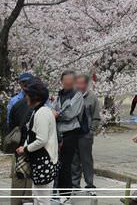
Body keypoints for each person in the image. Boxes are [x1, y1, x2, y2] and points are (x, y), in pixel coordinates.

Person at [17, 80, 58, 205]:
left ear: (35, 97)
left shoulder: (42, 113)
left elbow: (41, 140)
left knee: (42, 198)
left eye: (28, 95)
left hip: (44, 160)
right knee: (37, 196)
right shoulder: (40, 110)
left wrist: (25, 149)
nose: (26, 97)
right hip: (42, 159)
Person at [52, 70, 83, 200]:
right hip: (57, 132)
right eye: (65, 82)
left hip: (70, 132)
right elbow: (52, 107)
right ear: (62, 82)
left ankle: (65, 194)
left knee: (66, 164)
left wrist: (57, 114)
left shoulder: (77, 95)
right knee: (56, 162)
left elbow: (70, 113)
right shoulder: (59, 95)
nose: (67, 84)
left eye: (70, 82)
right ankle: (55, 192)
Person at [71, 75, 101, 194]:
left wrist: (91, 131)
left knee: (86, 160)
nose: (79, 86)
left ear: (86, 84)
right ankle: (75, 185)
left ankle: (90, 184)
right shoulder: (72, 96)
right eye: (77, 83)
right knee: (74, 160)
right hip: (73, 133)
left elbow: (96, 117)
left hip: (85, 134)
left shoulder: (92, 97)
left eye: (81, 83)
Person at [7, 79, 35, 205]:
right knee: (29, 180)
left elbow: (10, 125)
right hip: (32, 149)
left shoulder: (16, 104)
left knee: (18, 178)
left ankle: (15, 202)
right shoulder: (41, 108)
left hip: (18, 147)